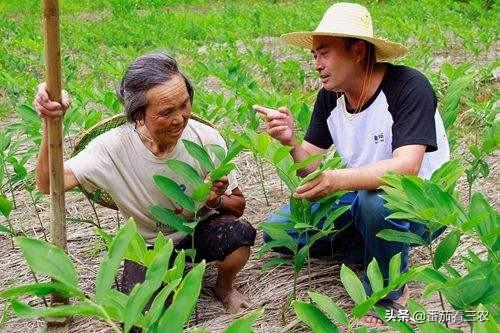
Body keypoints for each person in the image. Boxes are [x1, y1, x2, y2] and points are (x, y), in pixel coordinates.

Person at [255, 2, 449, 325]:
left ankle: (390, 293)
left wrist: (338, 180)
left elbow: (407, 169)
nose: (316, 64)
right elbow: (310, 170)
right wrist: (290, 142)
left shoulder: (409, 87)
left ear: (358, 51)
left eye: (325, 53)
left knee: (375, 203)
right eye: (314, 55)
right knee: (276, 232)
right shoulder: (330, 97)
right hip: (358, 197)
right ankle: (372, 243)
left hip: (419, 206)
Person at [34, 51, 256, 314]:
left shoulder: (205, 139)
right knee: (146, 318)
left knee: (239, 235)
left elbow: (238, 206)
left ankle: (224, 287)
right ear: (139, 115)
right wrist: (50, 123)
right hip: (149, 245)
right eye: (166, 112)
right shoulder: (111, 149)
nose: (180, 118)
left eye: (184, 104)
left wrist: (214, 199)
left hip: (198, 230)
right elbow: (49, 183)